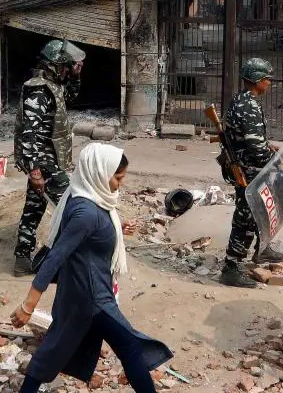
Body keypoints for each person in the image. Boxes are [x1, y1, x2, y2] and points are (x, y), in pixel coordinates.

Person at [10, 143, 172, 393]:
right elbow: (55, 257)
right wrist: (28, 305)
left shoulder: (83, 196)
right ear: (99, 173)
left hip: (80, 292)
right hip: (93, 298)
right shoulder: (86, 212)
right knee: (129, 346)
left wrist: (117, 230)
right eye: (118, 178)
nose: (121, 183)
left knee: (56, 347)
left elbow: (92, 236)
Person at [13, 40, 84, 276]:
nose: (67, 70)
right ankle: (72, 258)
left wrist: (75, 76)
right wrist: (35, 171)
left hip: (47, 157)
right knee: (71, 205)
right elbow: (30, 133)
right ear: (55, 65)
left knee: (35, 206)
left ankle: (22, 258)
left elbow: (70, 98)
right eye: (66, 67)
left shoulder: (52, 86)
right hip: (43, 159)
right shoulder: (38, 89)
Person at [218, 57, 283, 288]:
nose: (269, 83)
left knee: (259, 213)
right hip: (249, 173)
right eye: (267, 79)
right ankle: (231, 267)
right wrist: (275, 164)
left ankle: (262, 249)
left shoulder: (243, 100)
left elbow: (254, 140)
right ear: (257, 80)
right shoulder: (249, 105)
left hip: (248, 168)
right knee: (246, 217)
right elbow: (255, 147)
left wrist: (268, 146)